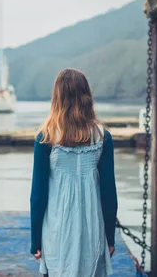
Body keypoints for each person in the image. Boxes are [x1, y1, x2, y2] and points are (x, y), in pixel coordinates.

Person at [30, 68, 118, 277]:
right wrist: (110, 238)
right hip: (92, 229)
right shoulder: (102, 136)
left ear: (57, 97)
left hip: (57, 231)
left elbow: (38, 196)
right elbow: (109, 194)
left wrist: (35, 240)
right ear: (87, 96)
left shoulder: (46, 137)